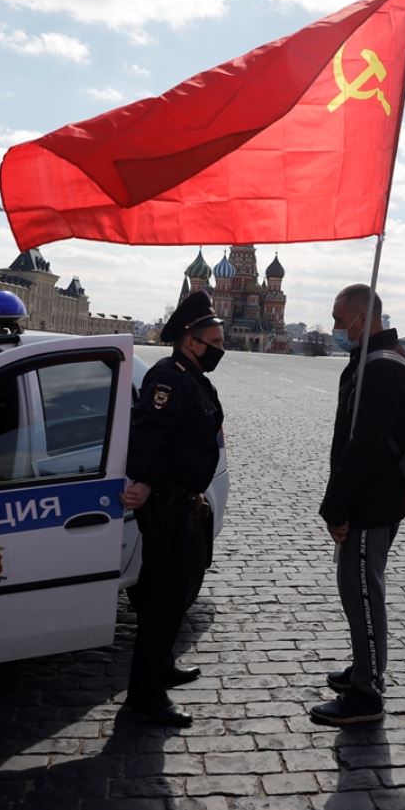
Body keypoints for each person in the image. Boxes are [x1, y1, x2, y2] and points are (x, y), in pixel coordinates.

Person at [311, 284, 405, 726]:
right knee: (356, 591)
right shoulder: (381, 360)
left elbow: (366, 445)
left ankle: (367, 693)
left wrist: (335, 507)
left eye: (340, 318)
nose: (335, 327)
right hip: (376, 498)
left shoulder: (379, 368)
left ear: (362, 317)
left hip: (371, 502)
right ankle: (362, 668)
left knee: (364, 595)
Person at [120, 289, 225, 728]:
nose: (221, 346)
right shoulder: (168, 377)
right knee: (164, 597)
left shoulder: (192, 375)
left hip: (185, 500)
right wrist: (142, 481)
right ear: (190, 340)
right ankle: (146, 694)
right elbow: (150, 431)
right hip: (166, 502)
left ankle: (160, 665)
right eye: (214, 339)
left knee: (175, 592)